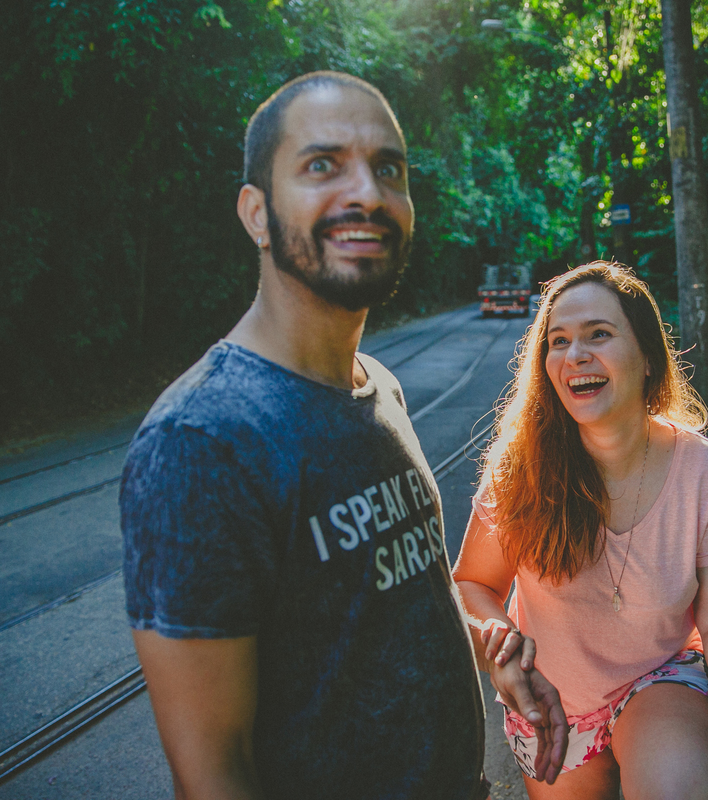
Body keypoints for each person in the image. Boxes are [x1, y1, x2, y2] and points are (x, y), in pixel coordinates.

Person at [119, 71, 566, 799]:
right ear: (256, 213)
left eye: (388, 168)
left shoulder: (376, 386)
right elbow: (214, 771)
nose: (366, 192)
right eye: (322, 165)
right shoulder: (202, 441)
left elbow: (388, 596)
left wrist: (488, 648)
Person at [452, 262, 708, 799]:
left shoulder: (704, 471)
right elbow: (473, 586)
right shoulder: (520, 468)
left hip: (660, 680)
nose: (575, 354)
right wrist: (501, 648)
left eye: (598, 334)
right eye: (558, 341)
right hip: (552, 704)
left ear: (648, 356)